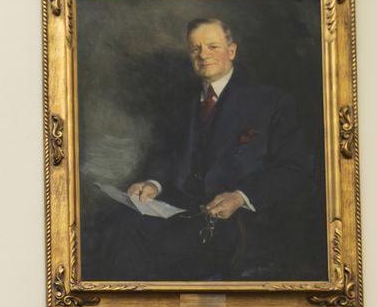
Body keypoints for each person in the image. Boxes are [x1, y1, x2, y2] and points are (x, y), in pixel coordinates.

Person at [86, 17, 314, 281]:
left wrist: (241, 196)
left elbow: (295, 168)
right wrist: (154, 182)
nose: (204, 55)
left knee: (149, 247)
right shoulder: (184, 102)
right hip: (181, 211)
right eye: (196, 49)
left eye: (213, 46)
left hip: (239, 222)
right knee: (120, 228)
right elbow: (169, 154)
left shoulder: (270, 102)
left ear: (232, 51)